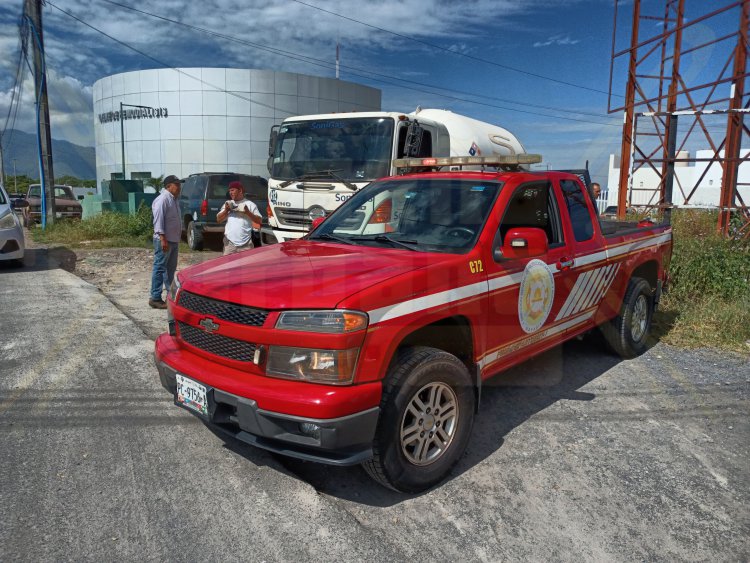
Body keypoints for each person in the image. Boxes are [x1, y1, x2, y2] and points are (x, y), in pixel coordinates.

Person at [149, 174, 183, 309]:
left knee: (170, 269)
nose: (179, 187)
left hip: (173, 240)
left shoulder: (174, 199)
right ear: (169, 186)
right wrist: (162, 238)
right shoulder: (163, 199)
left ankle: (170, 296)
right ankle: (155, 297)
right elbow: (158, 220)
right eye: (177, 185)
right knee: (159, 268)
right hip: (164, 240)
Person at [217, 180, 263, 255]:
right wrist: (226, 210)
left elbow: (259, 221)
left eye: (232, 190)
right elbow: (218, 220)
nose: (230, 193)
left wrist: (248, 212)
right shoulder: (228, 204)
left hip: (246, 244)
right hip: (229, 244)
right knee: (228, 266)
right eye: (229, 191)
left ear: (240, 190)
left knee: (246, 266)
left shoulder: (250, 204)